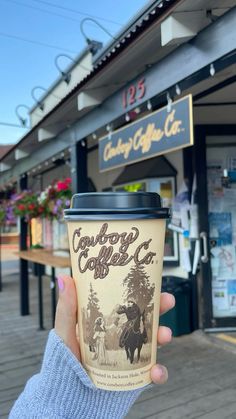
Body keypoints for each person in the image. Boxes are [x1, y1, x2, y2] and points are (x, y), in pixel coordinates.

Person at [9, 275, 175, 419]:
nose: (130, 302)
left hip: (134, 322)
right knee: (125, 332)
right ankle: (123, 342)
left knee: (144, 330)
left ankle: (143, 339)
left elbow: (137, 314)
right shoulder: (127, 308)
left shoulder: (136, 309)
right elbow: (121, 312)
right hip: (120, 327)